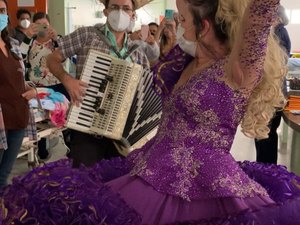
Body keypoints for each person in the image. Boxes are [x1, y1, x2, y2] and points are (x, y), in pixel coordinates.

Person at [1, 0, 300, 224]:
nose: (179, 25)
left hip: (208, 185)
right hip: (150, 170)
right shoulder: (186, 60)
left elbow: (261, 12)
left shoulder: (238, 71)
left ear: (204, 26)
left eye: (182, 19)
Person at [46, 0, 149, 168]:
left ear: (133, 15)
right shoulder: (86, 35)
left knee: (117, 186)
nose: (120, 12)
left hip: (122, 136)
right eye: (114, 7)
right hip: (86, 127)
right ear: (106, 11)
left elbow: (144, 95)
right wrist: (68, 80)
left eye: (126, 8)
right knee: (85, 184)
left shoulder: (138, 53)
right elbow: (52, 59)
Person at [0, 0, 36, 188]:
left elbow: (21, 76)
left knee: (4, 173)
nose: (1, 14)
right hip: (1, 120)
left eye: (3, 10)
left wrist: (32, 89)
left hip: (18, 115)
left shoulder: (12, 43)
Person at [255, 5, 291, 164]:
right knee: (262, 133)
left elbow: (273, 64)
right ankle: (263, 168)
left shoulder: (279, 33)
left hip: (272, 92)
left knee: (266, 134)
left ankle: (267, 171)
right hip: (268, 91)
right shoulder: (275, 32)